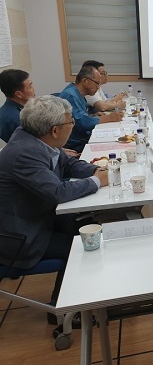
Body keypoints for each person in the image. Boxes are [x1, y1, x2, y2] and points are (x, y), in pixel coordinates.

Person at [0, 95, 108, 305]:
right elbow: (58, 192)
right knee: (85, 245)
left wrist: (96, 170)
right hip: (22, 236)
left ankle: (89, 291)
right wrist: (97, 181)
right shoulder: (25, 153)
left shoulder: (37, 138)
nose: (73, 125)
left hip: (40, 215)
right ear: (55, 130)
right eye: (71, 122)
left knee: (89, 225)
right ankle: (65, 308)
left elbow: (68, 165)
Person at [59, 65, 124, 152]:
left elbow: (79, 115)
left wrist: (92, 115)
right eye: (97, 83)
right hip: (76, 143)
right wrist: (109, 118)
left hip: (83, 137)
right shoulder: (71, 95)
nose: (98, 87)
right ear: (85, 81)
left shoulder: (79, 93)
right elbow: (81, 123)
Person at [0, 69, 36, 142]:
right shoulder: (20, 119)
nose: (33, 90)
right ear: (19, 94)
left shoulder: (3, 110)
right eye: (30, 87)